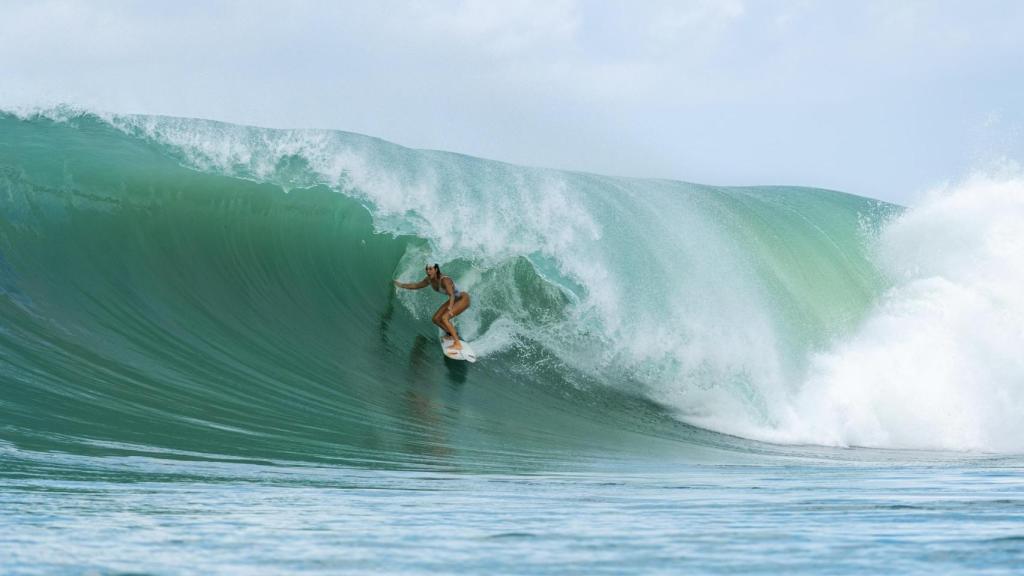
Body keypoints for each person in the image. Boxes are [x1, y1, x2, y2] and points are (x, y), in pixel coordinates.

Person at [393, 264, 471, 350]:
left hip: (463, 298)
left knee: (444, 318)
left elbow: (451, 294)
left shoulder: (445, 280)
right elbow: (416, 286)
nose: (428, 271)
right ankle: (452, 333)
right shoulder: (429, 280)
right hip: (456, 299)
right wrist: (401, 285)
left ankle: (457, 343)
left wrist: (450, 307)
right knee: (436, 319)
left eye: (430, 269)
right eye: (426, 269)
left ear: (436, 270)